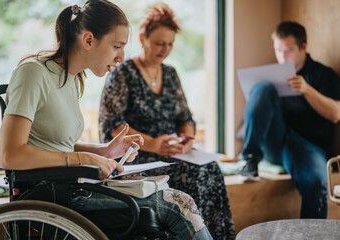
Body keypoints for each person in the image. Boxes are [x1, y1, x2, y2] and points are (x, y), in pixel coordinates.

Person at [0, 1, 213, 239]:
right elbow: (10, 155)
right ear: (89, 40)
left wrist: (105, 151)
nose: (121, 57)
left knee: (177, 201)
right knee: (178, 205)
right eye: (117, 46)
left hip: (70, 185)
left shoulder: (70, 79)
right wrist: (83, 158)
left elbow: (54, 145)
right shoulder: (33, 73)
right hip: (53, 194)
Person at [99, 3, 235, 239]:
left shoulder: (170, 73)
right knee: (191, 174)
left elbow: (186, 117)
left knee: (212, 168)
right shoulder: (122, 72)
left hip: (172, 151)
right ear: (143, 38)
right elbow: (112, 125)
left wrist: (187, 139)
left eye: (170, 44)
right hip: (135, 154)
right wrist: (152, 143)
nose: (165, 49)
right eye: (159, 43)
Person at [239, 21, 340, 218]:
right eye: (278, 51)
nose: (282, 57)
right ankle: (250, 159)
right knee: (262, 88)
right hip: (276, 142)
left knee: (315, 182)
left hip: (307, 146)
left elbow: (335, 114)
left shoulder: (322, 74)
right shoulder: (274, 75)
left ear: (303, 47)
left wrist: (306, 90)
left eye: (287, 51)